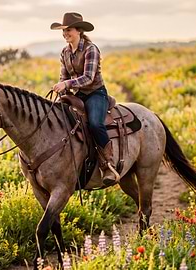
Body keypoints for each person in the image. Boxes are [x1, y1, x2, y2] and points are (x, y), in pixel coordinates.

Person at [50, 12, 120, 186]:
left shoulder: (91, 49)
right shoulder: (65, 52)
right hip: (78, 94)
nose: (65, 33)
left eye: (69, 30)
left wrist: (66, 84)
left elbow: (88, 78)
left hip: (96, 93)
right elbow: (63, 75)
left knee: (95, 123)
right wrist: (61, 86)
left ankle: (107, 163)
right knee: (58, 119)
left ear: (79, 31)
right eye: (63, 31)